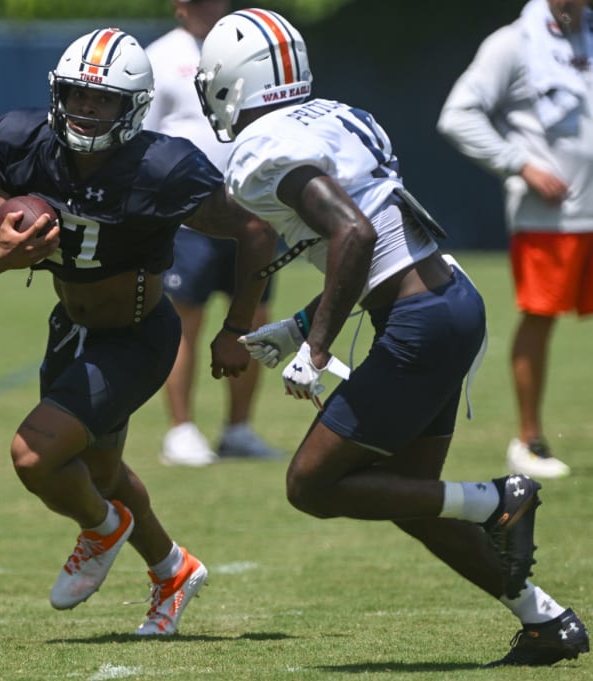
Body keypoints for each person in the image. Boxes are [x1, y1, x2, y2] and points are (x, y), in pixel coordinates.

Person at [195, 8, 589, 666]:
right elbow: (380, 245)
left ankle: (500, 498)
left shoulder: (262, 152)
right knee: (410, 495)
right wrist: (294, 326)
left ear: (233, 82)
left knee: (311, 483)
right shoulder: (337, 117)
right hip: (448, 301)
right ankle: (544, 619)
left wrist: (314, 351)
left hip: (418, 321)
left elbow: (355, 232)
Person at [0, 27, 276, 635]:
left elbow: (257, 233)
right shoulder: (26, 141)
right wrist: (2, 258)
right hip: (69, 329)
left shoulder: (160, 168)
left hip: (136, 336)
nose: (85, 109)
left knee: (34, 456)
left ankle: (104, 528)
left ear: (131, 106)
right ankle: (172, 568)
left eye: (102, 99)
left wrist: (237, 327)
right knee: (101, 474)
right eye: (77, 95)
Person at [438, 0, 593, 480]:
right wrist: (519, 163)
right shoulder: (513, 42)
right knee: (540, 320)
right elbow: (457, 115)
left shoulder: (586, 34)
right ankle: (529, 441)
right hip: (549, 218)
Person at [144, 0, 281, 466]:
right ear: (179, 7)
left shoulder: (252, 52)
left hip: (252, 213)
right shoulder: (160, 57)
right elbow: (145, 136)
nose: (213, 7)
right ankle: (180, 431)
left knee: (255, 320)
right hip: (187, 220)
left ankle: (238, 430)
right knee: (185, 322)